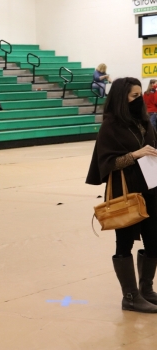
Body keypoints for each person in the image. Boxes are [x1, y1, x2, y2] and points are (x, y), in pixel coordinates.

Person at [86, 77, 157, 313]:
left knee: (153, 239)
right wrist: (135, 154)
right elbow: (107, 163)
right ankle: (130, 297)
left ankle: (146, 290)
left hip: (151, 188)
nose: (139, 99)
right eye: (134, 96)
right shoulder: (111, 125)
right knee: (124, 241)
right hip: (126, 190)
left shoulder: (143, 122)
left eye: (140, 95)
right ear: (120, 98)